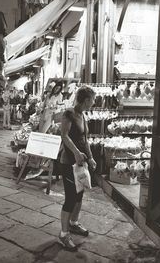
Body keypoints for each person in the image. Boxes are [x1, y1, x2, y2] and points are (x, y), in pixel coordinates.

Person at [58, 86, 97, 251]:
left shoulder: (83, 115)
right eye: (93, 100)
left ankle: (73, 223)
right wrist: (75, 152)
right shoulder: (69, 113)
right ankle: (63, 234)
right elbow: (64, 135)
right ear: (86, 100)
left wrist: (91, 157)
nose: (94, 103)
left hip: (81, 163)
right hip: (68, 162)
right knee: (70, 198)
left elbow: (85, 139)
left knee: (80, 195)